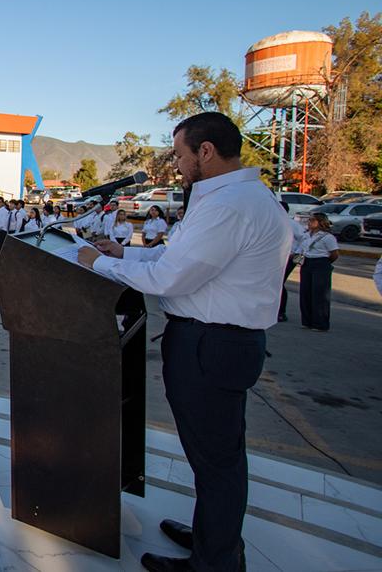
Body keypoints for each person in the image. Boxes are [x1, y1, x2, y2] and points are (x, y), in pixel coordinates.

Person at [78, 112, 289, 572]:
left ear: (206, 151)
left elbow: (171, 276)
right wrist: (126, 252)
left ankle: (216, 562)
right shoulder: (244, 197)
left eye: (180, 154)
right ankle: (214, 538)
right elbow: (182, 257)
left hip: (211, 346)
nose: (176, 164)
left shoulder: (228, 205)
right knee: (215, 457)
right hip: (220, 343)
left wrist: (98, 263)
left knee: (217, 462)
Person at [298, 212, 339, 332]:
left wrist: (324, 263)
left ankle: (320, 323)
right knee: (305, 292)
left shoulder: (327, 237)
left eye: (312, 220)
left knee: (319, 295)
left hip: (321, 263)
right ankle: (307, 321)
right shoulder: (306, 235)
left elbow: (334, 254)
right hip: (307, 262)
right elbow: (301, 248)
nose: (309, 222)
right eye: (309, 220)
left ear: (320, 222)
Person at [277, 202, 307, 322]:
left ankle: (281, 312)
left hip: (290, 257)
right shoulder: (275, 221)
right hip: (278, 258)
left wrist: (296, 254)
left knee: (279, 283)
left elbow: (304, 239)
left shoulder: (292, 224)